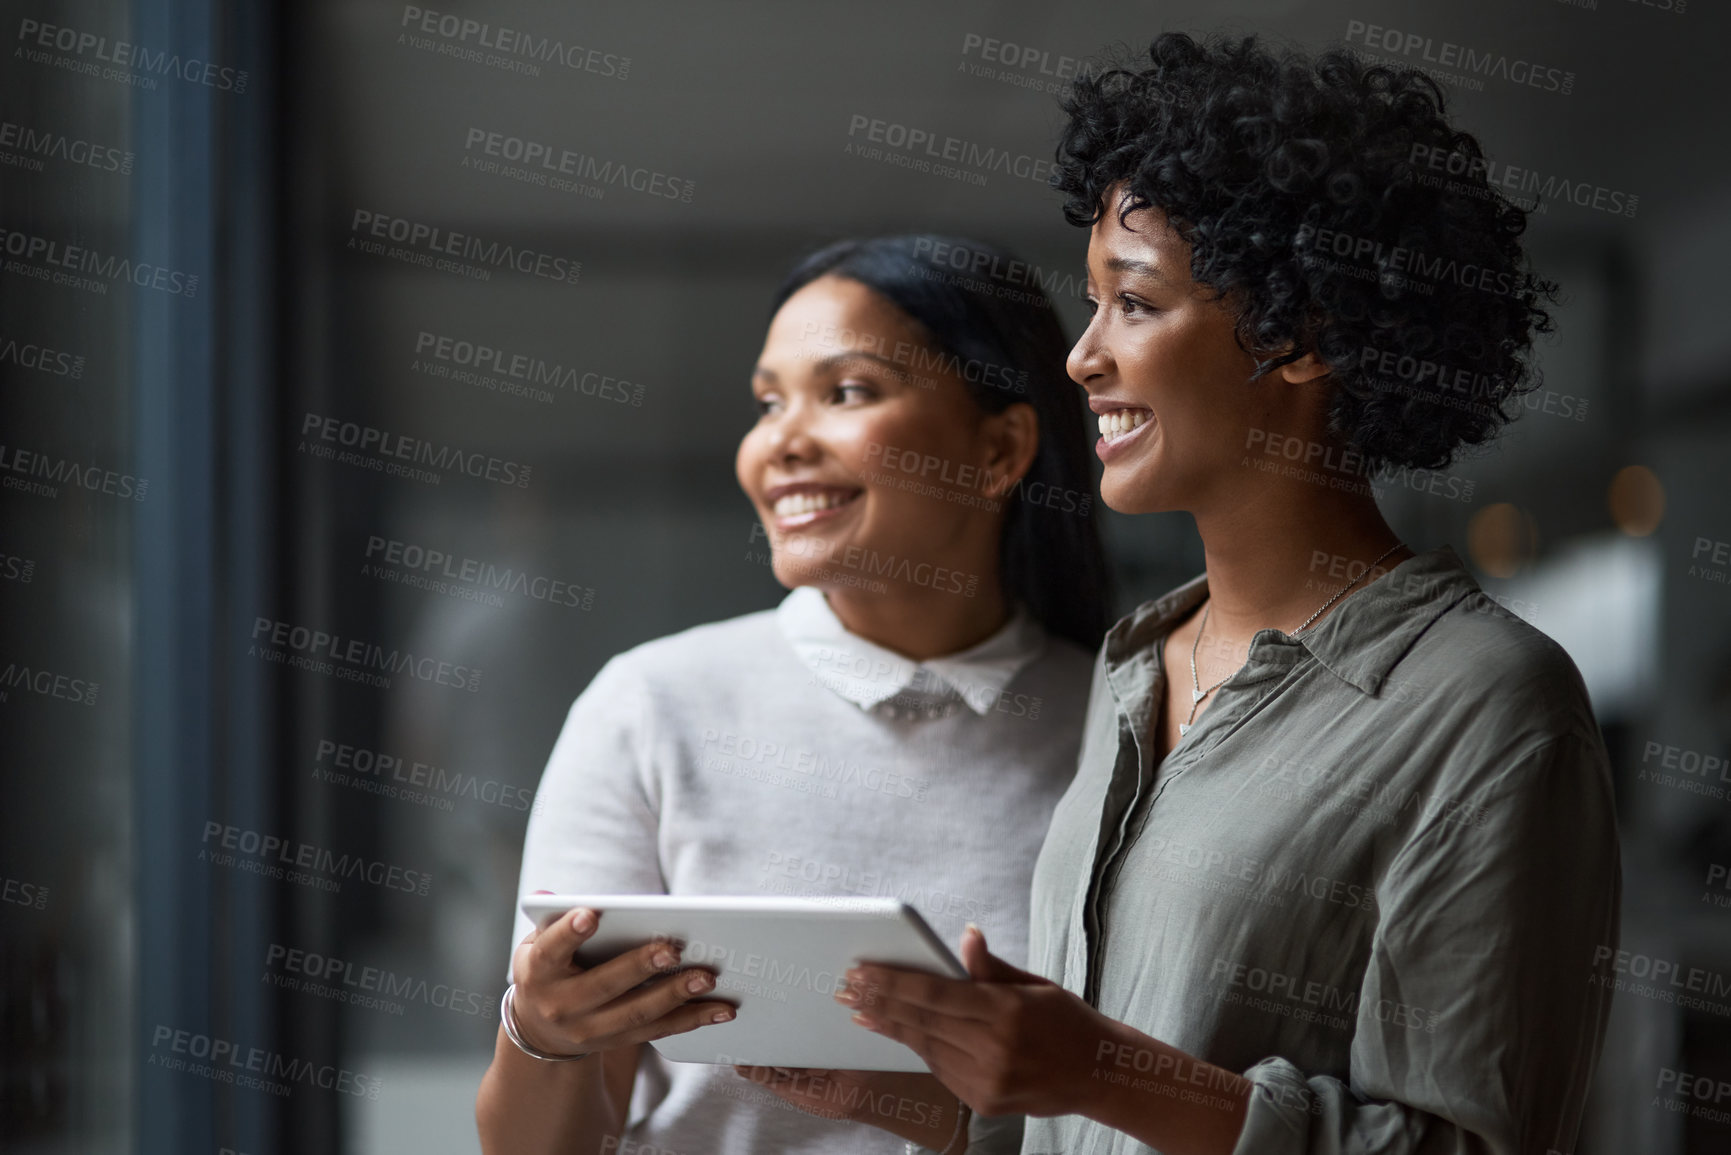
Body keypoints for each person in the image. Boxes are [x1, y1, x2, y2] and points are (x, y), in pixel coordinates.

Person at [834, 33, 1621, 1155]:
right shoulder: (1132, 664)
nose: (1082, 357)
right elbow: (1097, 1112)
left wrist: (1097, 1069)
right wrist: (926, 1095)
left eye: (1136, 304)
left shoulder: (1489, 705)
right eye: (1091, 304)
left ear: (1299, 332)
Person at [474, 233, 1113, 1155]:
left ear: (999, 447)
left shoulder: (1126, 726)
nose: (781, 442)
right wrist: (543, 1032)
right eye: (769, 402)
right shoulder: (649, 706)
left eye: (845, 391)